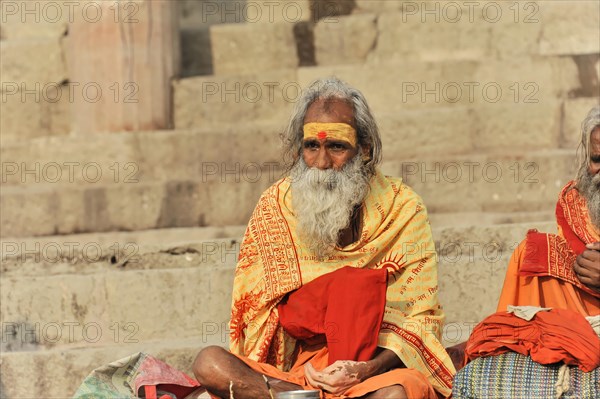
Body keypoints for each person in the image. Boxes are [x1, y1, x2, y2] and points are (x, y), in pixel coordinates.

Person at [192, 77, 456, 399]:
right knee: (210, 362)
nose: (321, 164)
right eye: (311, 146)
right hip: (297, 374)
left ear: (364, 149)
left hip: (373, 369)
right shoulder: (276, 207)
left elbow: (420, 319)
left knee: (399, 393)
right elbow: (257, 315)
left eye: (336, 147)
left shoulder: (402, 208)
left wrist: (362, 370)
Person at [496, 105, 600, 315]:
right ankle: (529, 336)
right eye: (597, 160)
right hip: (588, 305)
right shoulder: (575, 201)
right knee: (532, 251)